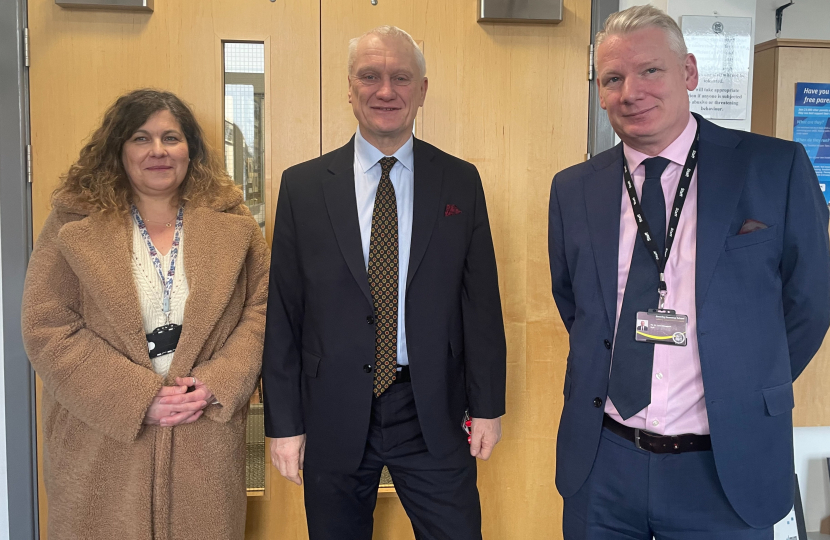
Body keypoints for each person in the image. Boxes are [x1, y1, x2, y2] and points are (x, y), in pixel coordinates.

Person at [548, 5, 830, 539]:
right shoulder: (573, 188)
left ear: (689, 72)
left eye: (650, 70)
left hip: (725, 467)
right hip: (604, 464)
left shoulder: (775, 168)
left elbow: (810, 300)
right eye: (613, 78)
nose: (631, 91)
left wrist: (745, 381)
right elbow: (576, 304)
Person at [262, 25, 506, 540]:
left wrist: (486, 408)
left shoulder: (460, 180)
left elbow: (479, 304)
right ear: (349, 89)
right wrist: (283, 423)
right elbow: (284, 313)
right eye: (370, 76)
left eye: (401, 77)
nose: (386, 90)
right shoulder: (303, 186)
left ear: (422, 89)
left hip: (433, 408)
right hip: (332, 408)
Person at [21, 88, 269, 540]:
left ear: (190, 150)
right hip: (100, 444)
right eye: (141, 137)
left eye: (171, 138)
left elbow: (263, 307)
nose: (158, 151)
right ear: (118, 150)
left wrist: (220, 379)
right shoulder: (72, 223)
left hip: (203, 434)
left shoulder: (235, 224)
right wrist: (137, 397)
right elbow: (47, 325)